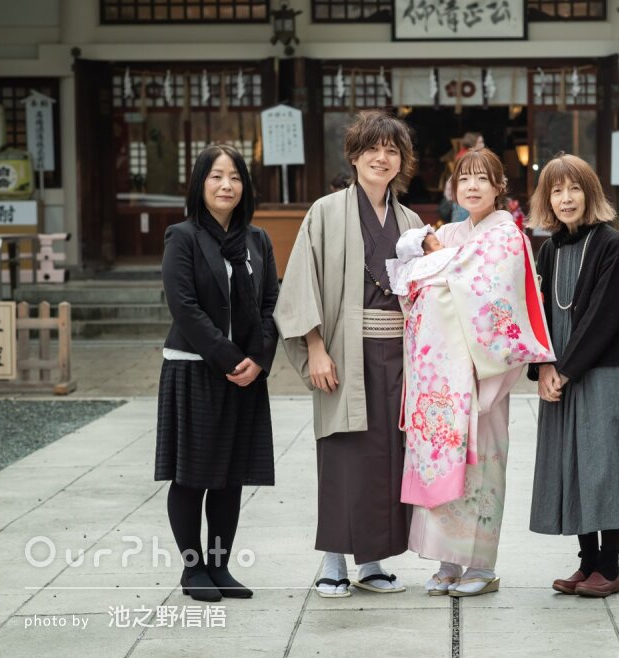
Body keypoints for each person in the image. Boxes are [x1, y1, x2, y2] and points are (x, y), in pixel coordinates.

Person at [274, 110, 424, 598]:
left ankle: (374, 561)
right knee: (343, 452)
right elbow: (302, 280)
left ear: (401, 161)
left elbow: (426, 293)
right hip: (343, 348)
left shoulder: (411, 221)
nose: (382, 158)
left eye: (392, 150)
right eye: (372, 149)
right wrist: (314, 347)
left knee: (386, 456)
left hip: (399, 354)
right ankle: (333, 560)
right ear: (355, 156)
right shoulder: (326, 211)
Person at [402, 148, 554, 597]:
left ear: (498, 187)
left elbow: (490, 295)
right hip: (441, 376)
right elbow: (411, 284)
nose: (471, 186)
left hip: (480, 369)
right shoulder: (445, 233)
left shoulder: (507, 236)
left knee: (482, 465)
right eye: (463, 178)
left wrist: (437, 269)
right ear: (453, 187)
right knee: (443, 457)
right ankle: (448, 563)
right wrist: (436, 270)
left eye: (482, 179)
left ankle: (482, 567)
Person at [155, 144, 279, 602]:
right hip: (195, 370)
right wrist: (230, 358)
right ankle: (193, 571)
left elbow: (270, 304)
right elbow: (184, 307)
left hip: (247, 373)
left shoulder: (257, 240)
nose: (226, 185)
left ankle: (220, 566)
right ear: (200, 184)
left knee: (230, 477)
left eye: (235, 177)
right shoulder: (182, 236)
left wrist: (258, 360)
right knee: (191, 476)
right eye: (216, 176)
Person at [526, 154, 619, 598]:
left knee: (603, 463)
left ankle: (609, 567)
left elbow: (603, 317)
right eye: (556, 190)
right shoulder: (549, 248)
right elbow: (536, 315)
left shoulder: (611, 244)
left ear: (590, 193)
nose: (566, 198)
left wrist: (566, 370)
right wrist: (543, 368)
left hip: (600, 371)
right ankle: (586, 562)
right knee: (570, 462)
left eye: (574, 189)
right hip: (559, 373)